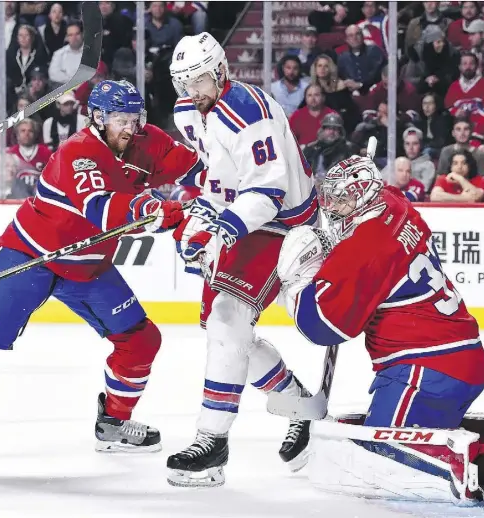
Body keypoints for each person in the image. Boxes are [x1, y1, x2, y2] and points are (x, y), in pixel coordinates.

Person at [0, 81, 201, 455]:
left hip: (86, 266)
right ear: (99, 118)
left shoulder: (148, 142)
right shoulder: (79, 153)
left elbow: (200, 172)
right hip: (29, 255)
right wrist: (146, 210)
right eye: (119, 118)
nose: (128, 126)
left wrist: (224, 192)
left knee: (141, 340)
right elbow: (100, 208)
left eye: (133, 117)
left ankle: (114, 424)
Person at [276, 152, 484, 506]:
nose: (334, 208)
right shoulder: (393, 201)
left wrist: (296, 284)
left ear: (362, 197)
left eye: (342, 200)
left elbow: (325, 328)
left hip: (425, 373)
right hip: (457, 357)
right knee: (382, 438)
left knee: (379, 456)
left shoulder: (367, 248)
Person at [167, 32, 317, 488]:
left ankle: (211, 443)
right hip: (238, 220)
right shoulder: (189, 112)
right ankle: (299, 405)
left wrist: (218, 228)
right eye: (183, 85)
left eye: (198, 82)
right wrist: (194, 210)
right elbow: (213, 170)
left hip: (281, 225)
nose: (192, 93)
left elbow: (267, 193)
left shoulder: (249, 112)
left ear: (220, 71)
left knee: (228, 319)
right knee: (221, 328)